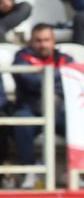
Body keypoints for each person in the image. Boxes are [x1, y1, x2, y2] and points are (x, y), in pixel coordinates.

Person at [11, 24, 66, 187]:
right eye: (38, 40)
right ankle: (30, 171)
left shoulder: (64, 58)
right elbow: (27, 80)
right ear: (30, 42)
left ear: (54, 41)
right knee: (21, 122)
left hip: (59, 111)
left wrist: (42, 74)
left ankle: (71, 171)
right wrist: (56, 76)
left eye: (46, 40)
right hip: (30, 108)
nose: (42, 44)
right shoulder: (21, 57)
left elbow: (72, 79)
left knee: (78, 121)